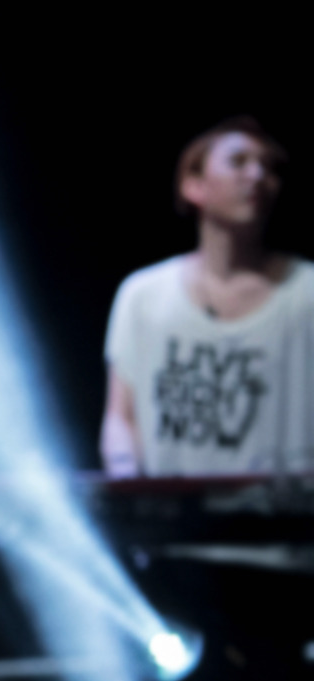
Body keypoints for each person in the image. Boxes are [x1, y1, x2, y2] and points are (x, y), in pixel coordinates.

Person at [101, 116, 313, 477]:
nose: (257, 175)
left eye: (269, 168)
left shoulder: (305, 293)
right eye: (238, 162)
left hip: (284, 514)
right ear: (194, 185)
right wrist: (128, 481)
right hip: (169, 514)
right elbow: (121, 417)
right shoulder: (144, 295)